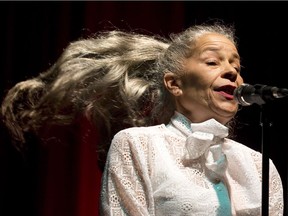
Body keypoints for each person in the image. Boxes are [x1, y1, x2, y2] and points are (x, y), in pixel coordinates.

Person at [1, 22, 284, 215]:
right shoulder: (139, 145)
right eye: (212, 62)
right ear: (174, 84)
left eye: (236, 65)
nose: (232, 72)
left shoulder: (259, 166)